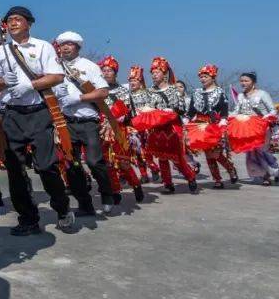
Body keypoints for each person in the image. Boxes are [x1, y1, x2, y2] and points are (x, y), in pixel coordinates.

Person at [0, 6, 75, 235]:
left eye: (18, 19)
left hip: (38, 112)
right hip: (12, 114)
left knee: (46, 166)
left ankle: (62, 208)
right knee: (15, 170)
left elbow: (57, 76)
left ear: (29, 23)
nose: (13, 23)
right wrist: (2, 81)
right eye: (9, 20)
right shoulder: (1, 51)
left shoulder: (42, 47)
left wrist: (30, 84)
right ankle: (28, 218)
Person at [53, 31, 119, 215]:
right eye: (62, 44)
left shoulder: (88, 66)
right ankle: (84, 203)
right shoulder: (55, 67)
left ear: (77, 47)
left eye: (70, 44)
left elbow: (103, 92)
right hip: (66, 121)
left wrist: (79, 98)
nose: (65, 47)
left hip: (88, 120)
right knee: (71, 165)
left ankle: (107, 193)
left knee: (94, 161)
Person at [138, 57, 197, 194]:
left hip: (172, 127)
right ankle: (168, 183)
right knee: (162, 157)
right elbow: (147, 107)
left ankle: (190, 176)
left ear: (165, 74)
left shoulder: (174, 90)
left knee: (176, 157)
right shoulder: (150, 91)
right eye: (152, 72)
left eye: (156, 72)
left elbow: (182, 108)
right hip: (157, 128)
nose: (153, 75)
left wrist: (172, 111)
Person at [96, 55, 146, 203]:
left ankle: (136, 184)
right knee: (108, 163)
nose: (106, 73)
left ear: (115, 73)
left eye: (109, 70)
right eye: (103, 70)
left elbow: (129, 112)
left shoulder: (123, 91)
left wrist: (117, 118)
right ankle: (116, 191)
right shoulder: (96, 90)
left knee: (123, 163)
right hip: (102, 130)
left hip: (119, 130)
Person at [186, 64, 238, 189]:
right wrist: (186, 119)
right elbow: (191, 110)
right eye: (201, 77)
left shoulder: (220, 92)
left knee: (215, 153)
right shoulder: (197, 93)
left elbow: (224, 110)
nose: (202, 79)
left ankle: (231, 169)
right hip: (199, 125)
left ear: (213, 77)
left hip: (214, 125)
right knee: (208, 154)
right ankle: (217, 179)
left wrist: (223, 121)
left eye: (205, 76)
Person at [230, 72, 279, 185]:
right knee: (251, 152)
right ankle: (264, 176)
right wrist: (227, 117)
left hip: (262, 127)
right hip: (247, 128)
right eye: (242, 81)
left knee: (262, 151)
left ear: (253, 82)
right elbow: (236, 111)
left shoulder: (262, 94)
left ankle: (275, 170)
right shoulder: (240, 96)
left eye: (246, 81)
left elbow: (272, 110)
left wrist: (265, 118)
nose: (243, 83)